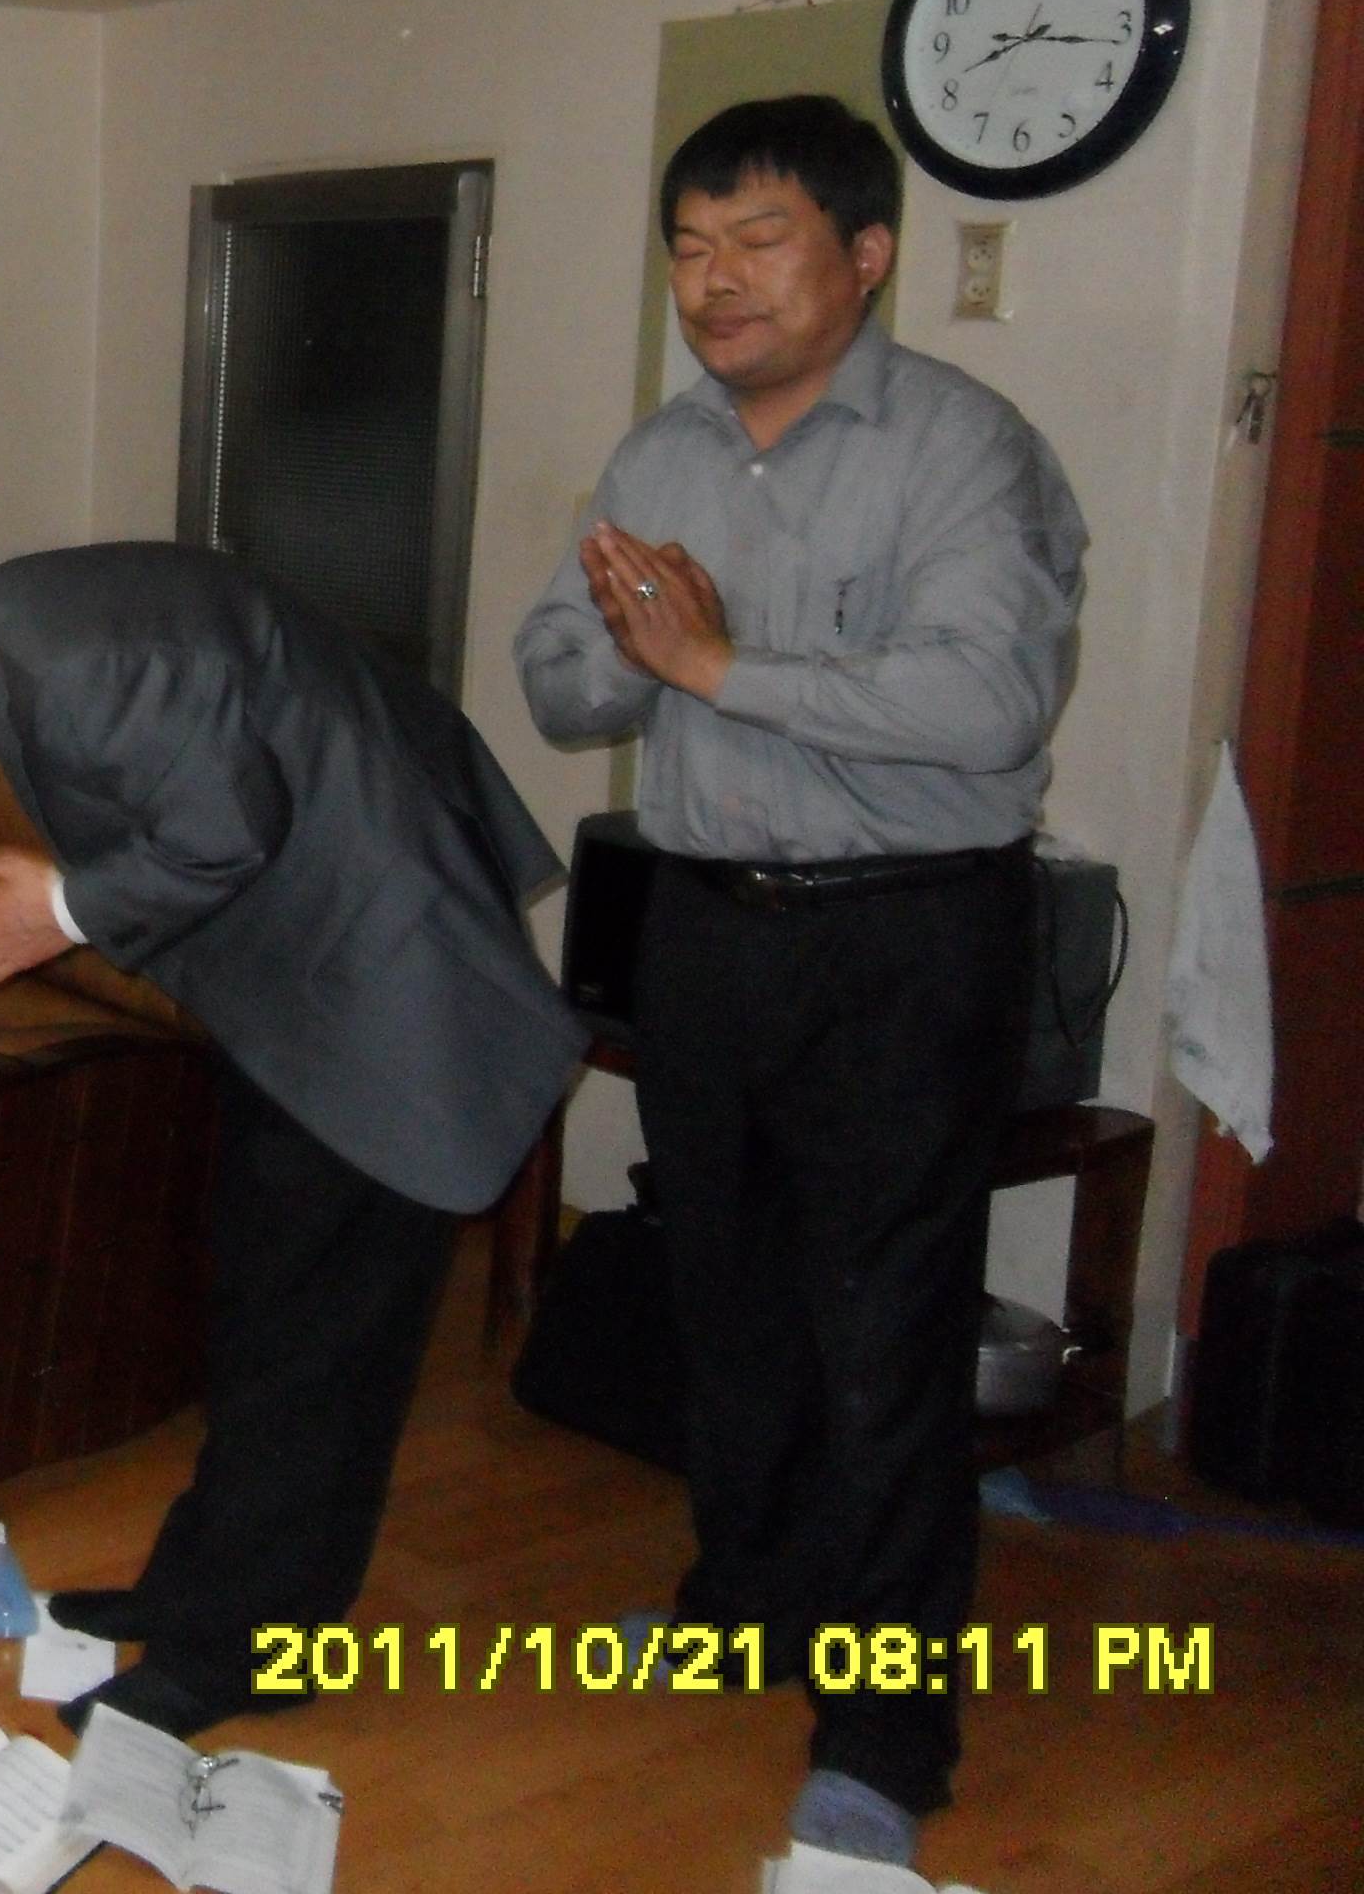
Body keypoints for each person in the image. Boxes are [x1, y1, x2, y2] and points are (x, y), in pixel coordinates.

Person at [0, 541, 584, 1740]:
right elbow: (201, 782)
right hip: (320, 991)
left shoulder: (78, 660)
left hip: (386, 1006)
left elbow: (226, 824)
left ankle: (243, 1654)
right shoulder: (40, 625)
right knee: (262, 1324)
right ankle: (200, 1592)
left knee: (316, 1357)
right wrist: (66, 885)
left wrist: (62, 907)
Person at [513, 94, 1085, 1868]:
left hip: (903, 938)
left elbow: (985, 701)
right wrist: (634, 657)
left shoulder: (961, 448)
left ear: (866, 255)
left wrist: (714, 663)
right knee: (727, 1295)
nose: (714, 282)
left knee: (883, 1333)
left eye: (757, 240)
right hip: (703, 923)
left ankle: (887, 1738)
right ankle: (746, 1600)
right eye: (688, 247)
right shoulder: (660, 452)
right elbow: (555, 679)